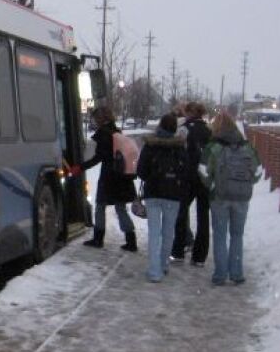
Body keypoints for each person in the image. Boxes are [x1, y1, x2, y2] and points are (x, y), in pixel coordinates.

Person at [200, 112, 261, 286]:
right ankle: (236, 273)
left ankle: (220, 275)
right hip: (241, 197)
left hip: (219, 197)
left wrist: (212, 185)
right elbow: (257, 172)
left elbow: (203, 170)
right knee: (237, 235)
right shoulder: (247, 147)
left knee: (220, 235)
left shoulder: (213, 147)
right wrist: (246, 183)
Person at [136, 114, 188, 282]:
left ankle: (154, 271)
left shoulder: (150, 145)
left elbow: (141, 171)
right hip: (173, 195)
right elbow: (186, 171)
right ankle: (164, 264)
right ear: (174, 129)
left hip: (153, 193)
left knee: (154, 233)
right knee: (168, 232)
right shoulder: (180, 147)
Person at [79, 106, 137, 250]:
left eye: (95, 118)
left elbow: (99, 157)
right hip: (122, 176)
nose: (94, 121)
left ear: (100, 118)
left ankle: (98, 239)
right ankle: (131, 241)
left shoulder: (103, 134)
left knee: (100, 206)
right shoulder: (117, 131)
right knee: (121, 208)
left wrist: (80, 167)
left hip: (109, 177)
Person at [171, 101, 212, 265]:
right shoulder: (209, 131)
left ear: (188, 113)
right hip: (204, 178)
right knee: (203, 218)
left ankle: (178, 251)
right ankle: (199, 256)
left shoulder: (184, 129)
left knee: (180, 214)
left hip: (187, 177)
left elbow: (176, 150)